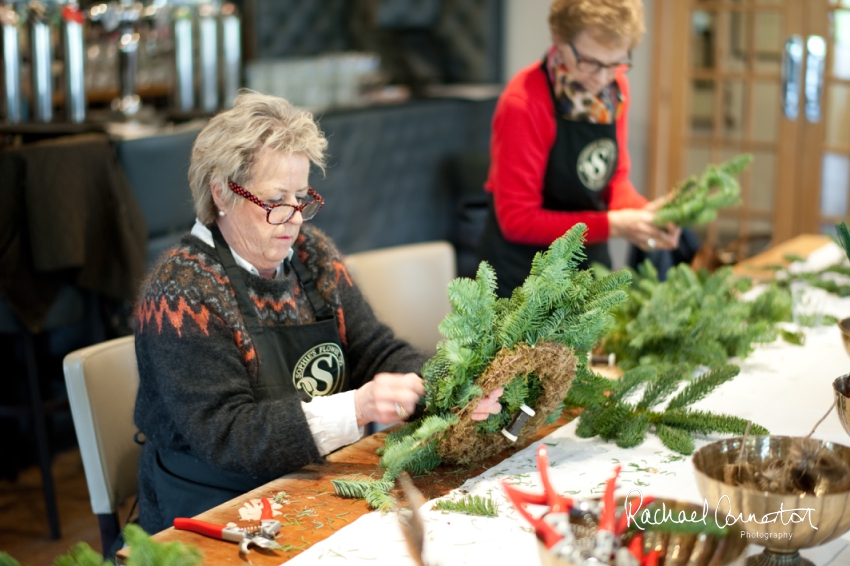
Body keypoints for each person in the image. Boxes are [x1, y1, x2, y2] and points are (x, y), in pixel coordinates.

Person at [133, 92, 504, 535]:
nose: (294, 219)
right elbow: (231, 437)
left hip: (308, 485)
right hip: (213, 513)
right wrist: (359, 406)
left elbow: (375, 350)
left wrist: (453, 386)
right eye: (275, 201)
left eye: (302, 198)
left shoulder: (312, 256)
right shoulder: (182, 294)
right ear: (220, 195)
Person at [478, 0, 681, 297]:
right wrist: (613, 225)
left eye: (615, 63)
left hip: (587, 269)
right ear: (560, 41)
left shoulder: (616, 91)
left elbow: (613, 181)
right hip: (523, 282)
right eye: (589, 62)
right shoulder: (524, 103)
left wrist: (644, 216)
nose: (601, 79)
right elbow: (517, 221)